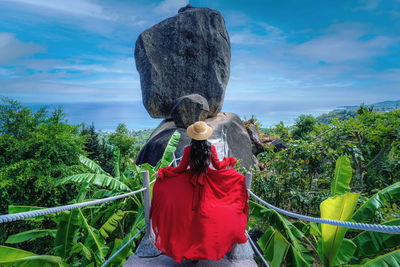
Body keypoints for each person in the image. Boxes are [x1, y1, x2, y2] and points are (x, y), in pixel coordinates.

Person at [150, 121, 249, 263]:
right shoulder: (210, 148)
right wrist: (229, 160)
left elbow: (180, 169)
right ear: (205, 135)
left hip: (189, 184)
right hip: (208, 184)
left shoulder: (188, 150)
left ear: (193, 135)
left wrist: (164, 172)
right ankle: (200, 249)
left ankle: (190, 251)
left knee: (188, 219)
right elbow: (219, 166)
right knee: (206, 217)